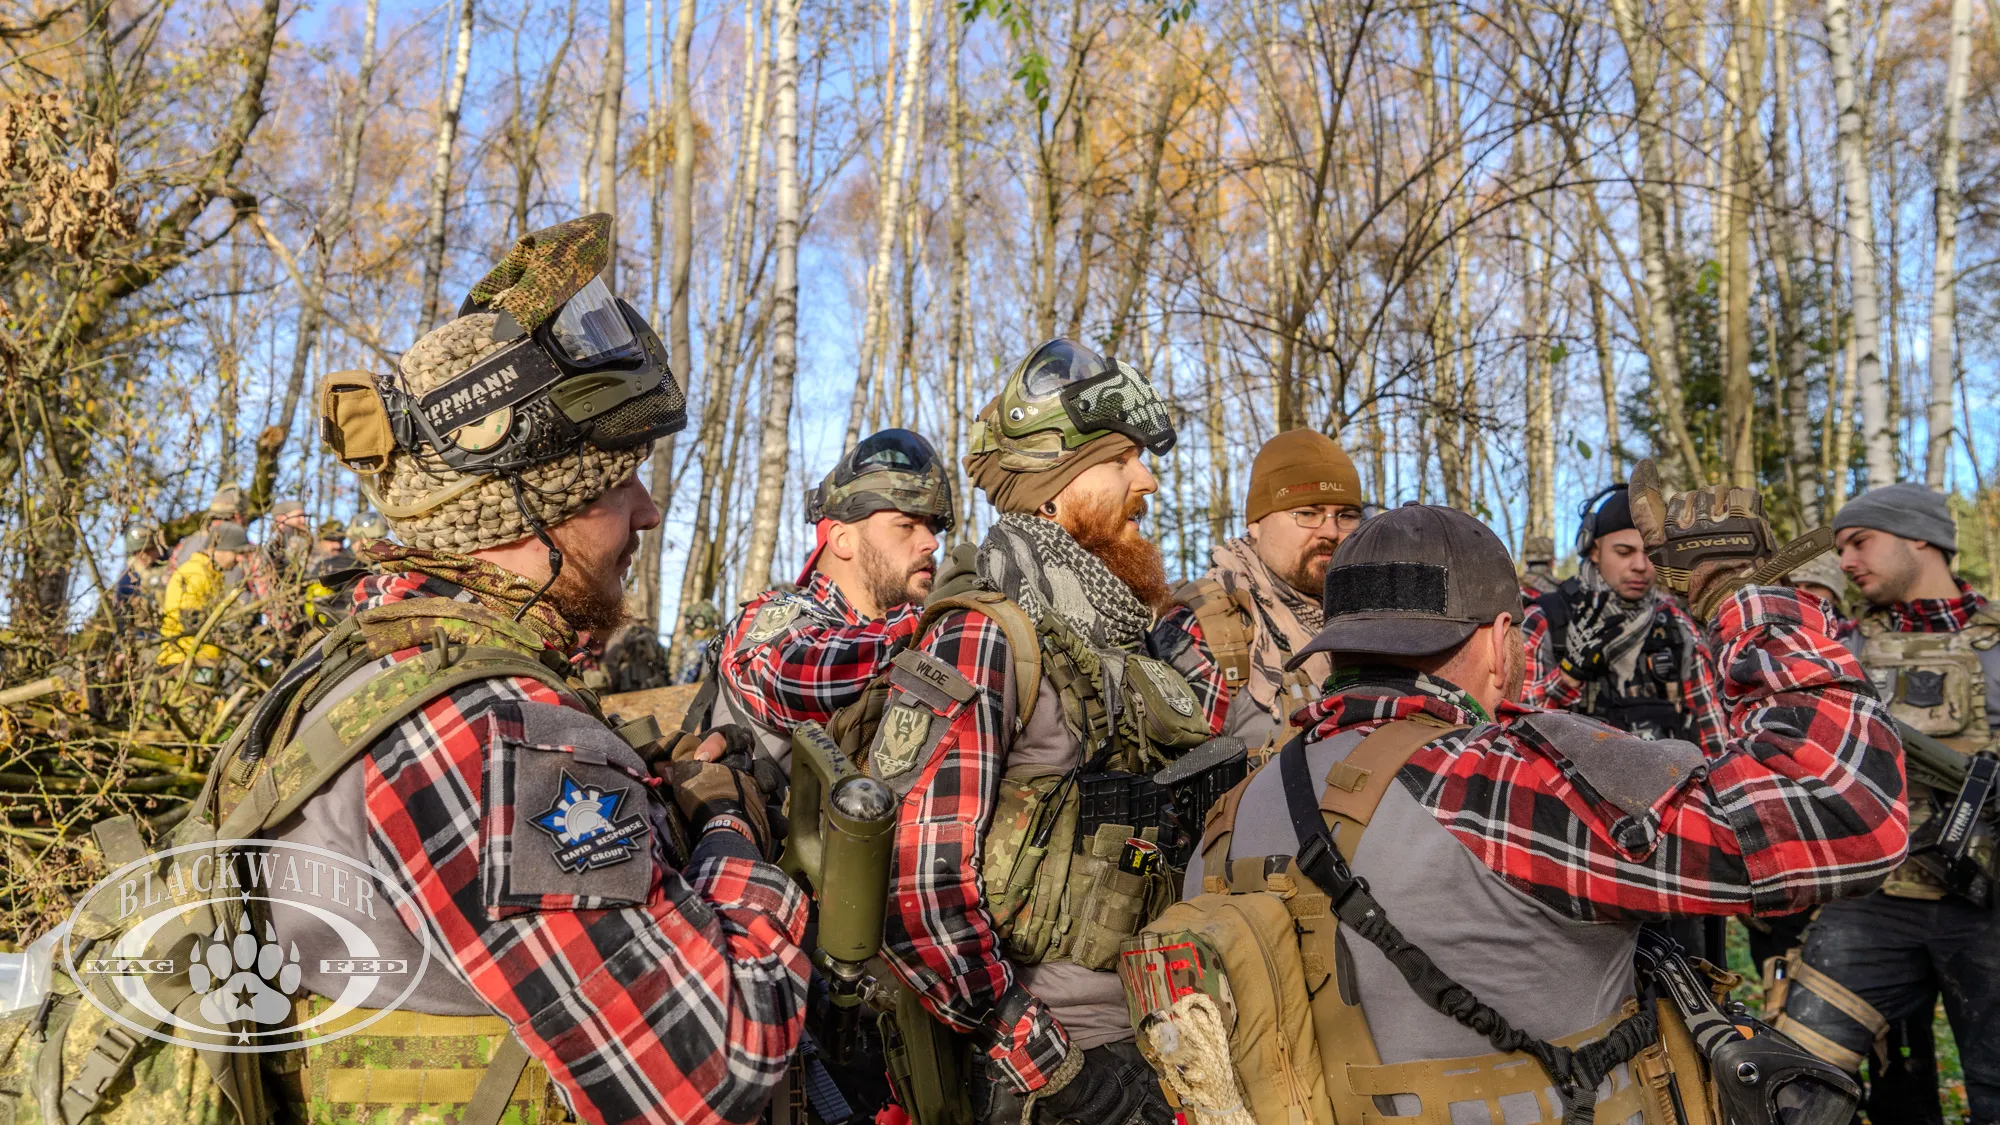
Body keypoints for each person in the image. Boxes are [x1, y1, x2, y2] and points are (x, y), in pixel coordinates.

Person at [110, 215, 806, 1125]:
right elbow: (711, 1070)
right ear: (523, 507)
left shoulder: (375, 654)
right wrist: (725, 828)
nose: (645, 511)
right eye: (614, 482)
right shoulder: (493, 730)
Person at [1178, 471, 1907, 1124]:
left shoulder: (1237, 810)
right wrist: (1741, 594)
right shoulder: (1502, 783)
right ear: (1502, 638)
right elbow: (1845, 812)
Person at [863, 339, 1229, 1125]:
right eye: (1121, 460)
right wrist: (1057, 1072)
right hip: (1055, 1072)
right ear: (1056, 491)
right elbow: (916, 888)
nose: (1146, 480)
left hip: (1161, 1036)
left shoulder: (1126, 637)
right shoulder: (983, 634)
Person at [1775, 482, 2000, 1124]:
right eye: (1842, 547)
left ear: (1920, 538)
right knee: (1795, 1082)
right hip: (1873, 902)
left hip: (1988, 909)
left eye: (1860, 542)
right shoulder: (1842, 650)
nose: (1845, 561)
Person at [691, 428, 952, 770]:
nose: (931, 542)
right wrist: (944, 618)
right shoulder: (772, 618)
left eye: (931, 527)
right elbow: (798, 674)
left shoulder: (907, 634)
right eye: (906, 525)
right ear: (842, 539)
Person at [1159, 429, 1364, 748]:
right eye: (1307, 513)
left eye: (1346, 516)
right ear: (1255, 523)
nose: (1331, 530)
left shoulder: (1371, 624)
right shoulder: (1204, 631)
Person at [1521, 484, 1726, 749]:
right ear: (1594, 550)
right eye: (1624, 552)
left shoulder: (1677, 624)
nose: (1640, 566)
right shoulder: (1544, 620)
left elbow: (1713, 732)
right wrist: (1568, 676)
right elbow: (1514, 727)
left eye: (1650, 554)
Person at [156, 520, 251, 669]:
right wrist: (230, 630)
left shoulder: (212, 575)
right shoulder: (195, 573)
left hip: (203, 662)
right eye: (236, 552)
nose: (239, 559)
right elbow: (190, 621)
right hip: (184, 663)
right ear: (218, 549)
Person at [165, 484, 247, 573]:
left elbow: (168, 575)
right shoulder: (242, 549)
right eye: (244, 516)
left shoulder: (186, 543)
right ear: (237, 516)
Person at [110, 525, 168, 626]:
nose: (142, 555)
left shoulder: (174, 561)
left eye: (147, 550)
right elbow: (122, 619)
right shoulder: (127, 581)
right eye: (137, 552)